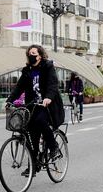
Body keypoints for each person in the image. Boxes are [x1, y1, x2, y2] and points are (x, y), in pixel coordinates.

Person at [6, 44, 64, 175]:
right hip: (33, 105)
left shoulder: (48, 66)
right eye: (29, 54)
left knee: (41, 121)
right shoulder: (27, 71)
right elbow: (19, 87)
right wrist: (9, 100)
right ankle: (33, 165)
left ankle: (54, 148)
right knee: (32, 136)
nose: (31, 56)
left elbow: (53, 84)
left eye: (34, 54)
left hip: (47, 106)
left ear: (40, 56)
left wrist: (48, 97)